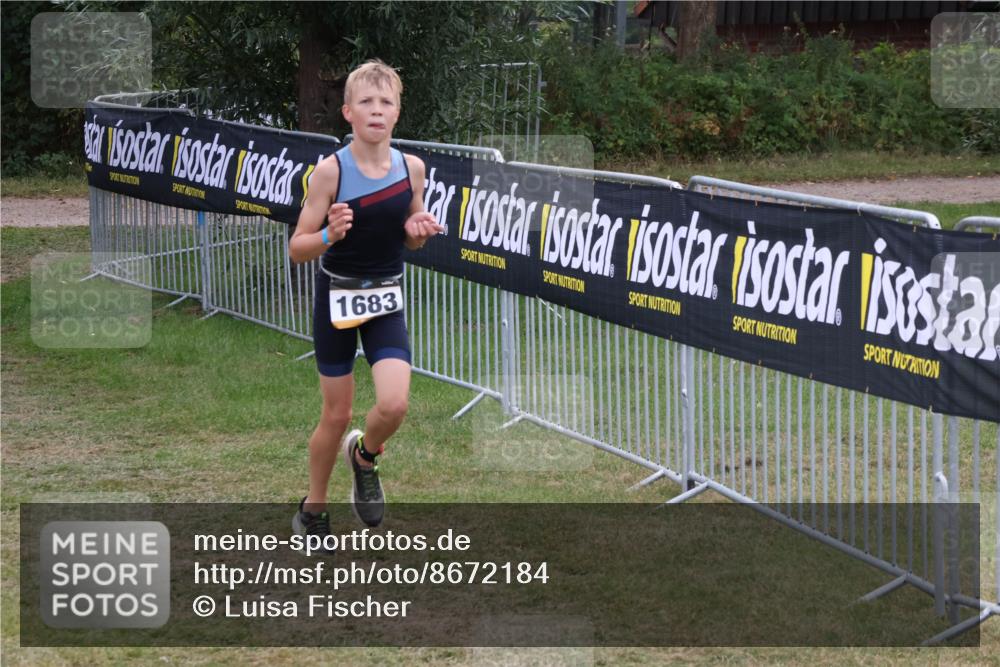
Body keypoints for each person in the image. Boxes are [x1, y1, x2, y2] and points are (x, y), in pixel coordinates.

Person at [288, 60, 443, 552]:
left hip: (385, 299)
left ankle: (365, 455)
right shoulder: (331, 171)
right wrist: (329, 235)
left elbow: (412, 232)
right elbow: (297, 247)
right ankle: (313, 510)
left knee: (394, 404)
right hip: (337, 296)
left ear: (397, 113)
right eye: (367, 102)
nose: (377, 110)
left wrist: (418, 231)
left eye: (386, 102)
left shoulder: (411, 169)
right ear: (348, 113)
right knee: (336, 415)